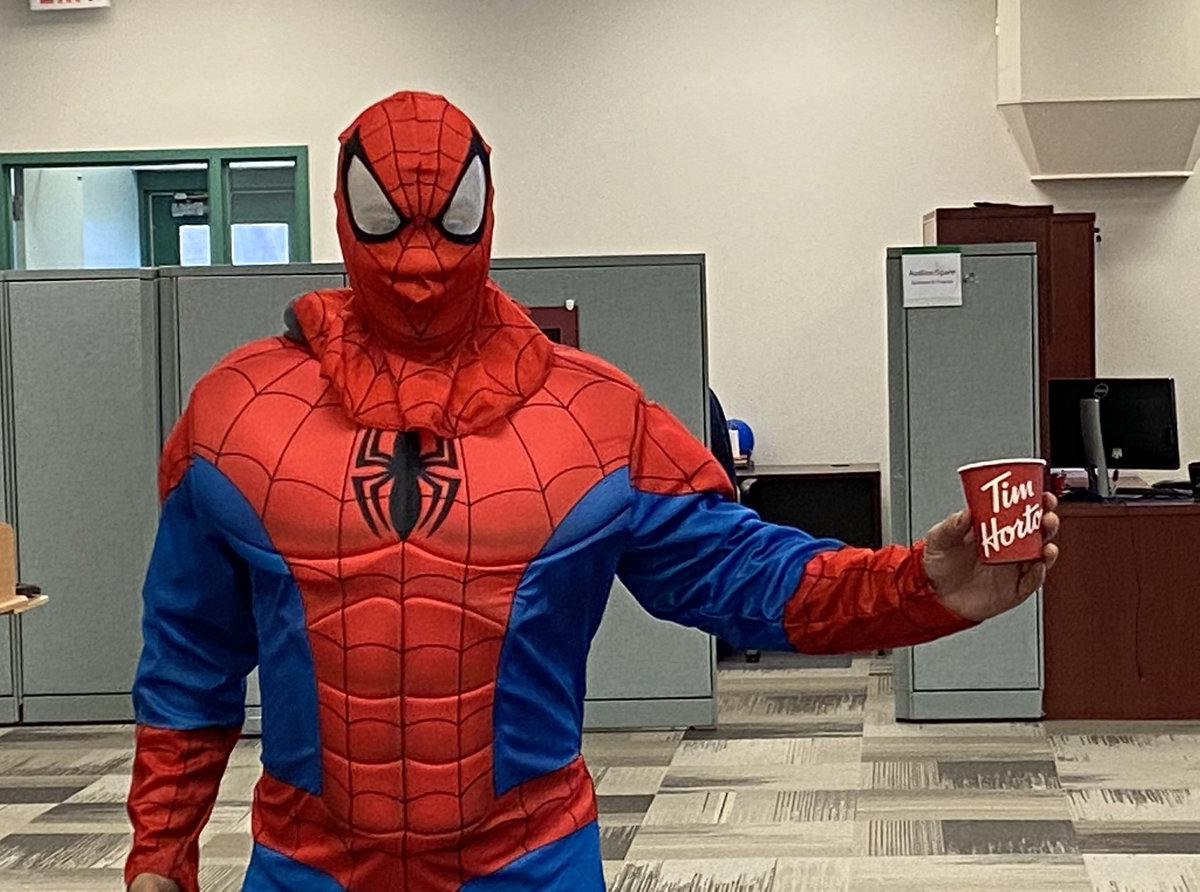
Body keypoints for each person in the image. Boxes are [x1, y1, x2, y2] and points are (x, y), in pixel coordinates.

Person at [125, 90, 1059, 892]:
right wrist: (159, 853)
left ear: (487, 211)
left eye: (448, 217)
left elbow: (744, 577)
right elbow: (188, 658)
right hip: (308, 862)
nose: (419, 255)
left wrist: (918, 584)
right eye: (385, 215)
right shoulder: (240, 412)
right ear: (343, 210)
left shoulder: (591, 414)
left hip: (527, 859)